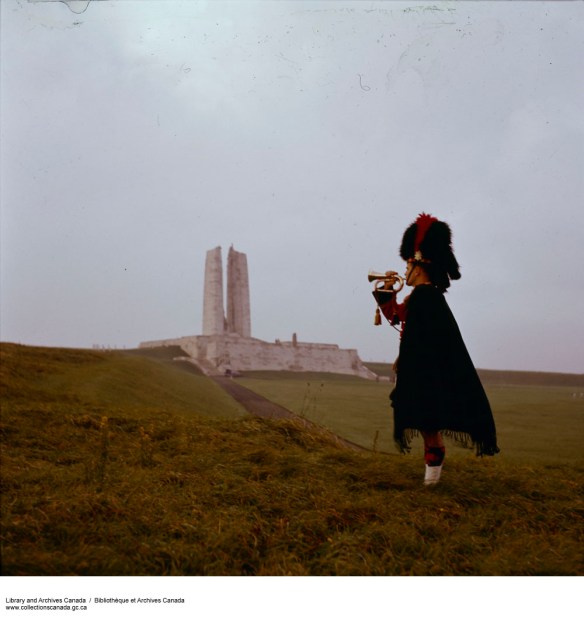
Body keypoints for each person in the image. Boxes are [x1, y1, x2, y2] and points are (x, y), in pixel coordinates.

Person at [373, 213, 499, 485]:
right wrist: (385, 294)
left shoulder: (426, 297)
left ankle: (433, 472)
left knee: (426, 417)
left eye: (407, 265)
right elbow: (399, 318)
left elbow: (412, 328)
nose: (404, 272)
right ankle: (432, 470)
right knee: (424, 419)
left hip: (426, 372)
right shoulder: (422, 297)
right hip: (423, 369)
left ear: (418, 265)